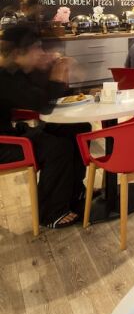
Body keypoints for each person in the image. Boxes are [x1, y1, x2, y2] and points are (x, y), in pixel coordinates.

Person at [0, 26, 90, 228]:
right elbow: (41, 104)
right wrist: (57, 72)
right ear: (18, 53)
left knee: (76, 128)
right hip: (3, 144)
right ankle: (51, 213)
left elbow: (45, 96)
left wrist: (49, 68)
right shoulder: (3, 77)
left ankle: (75, 192)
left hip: (10, 133)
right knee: (57, 148)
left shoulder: (13, 72)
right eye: (37, 48)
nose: (41, 52)